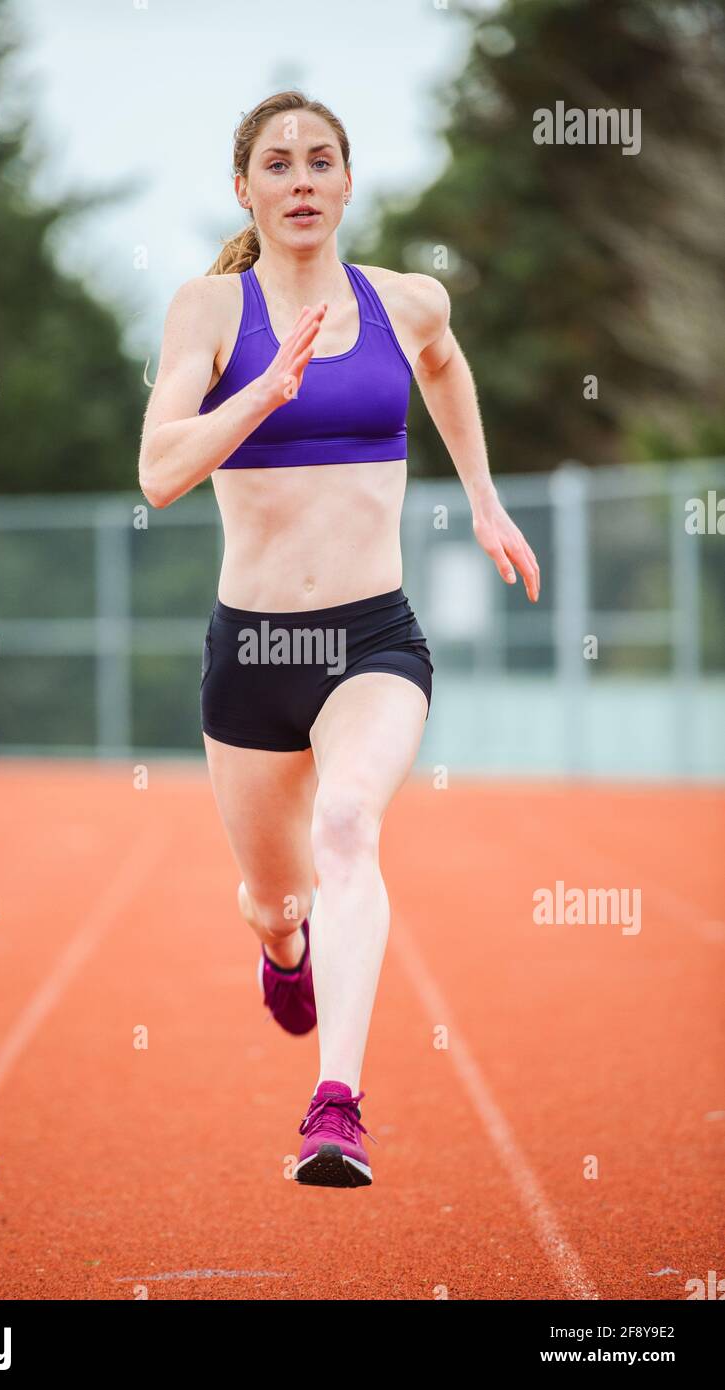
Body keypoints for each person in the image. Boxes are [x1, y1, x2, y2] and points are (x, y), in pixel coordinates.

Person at [138, 90, 539, 1189]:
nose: (301, 179)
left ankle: (336, 1105)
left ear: (349, 181)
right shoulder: (209, 312)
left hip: (373, 636)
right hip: (252, 657)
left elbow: (447, 367)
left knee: (351, 825)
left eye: (321, 160)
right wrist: (264, 389)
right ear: (246, 189)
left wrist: (487, 500)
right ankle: (283, 951)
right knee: (275, 904)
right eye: (277, 164)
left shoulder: (408, 301)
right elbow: (160, 472)